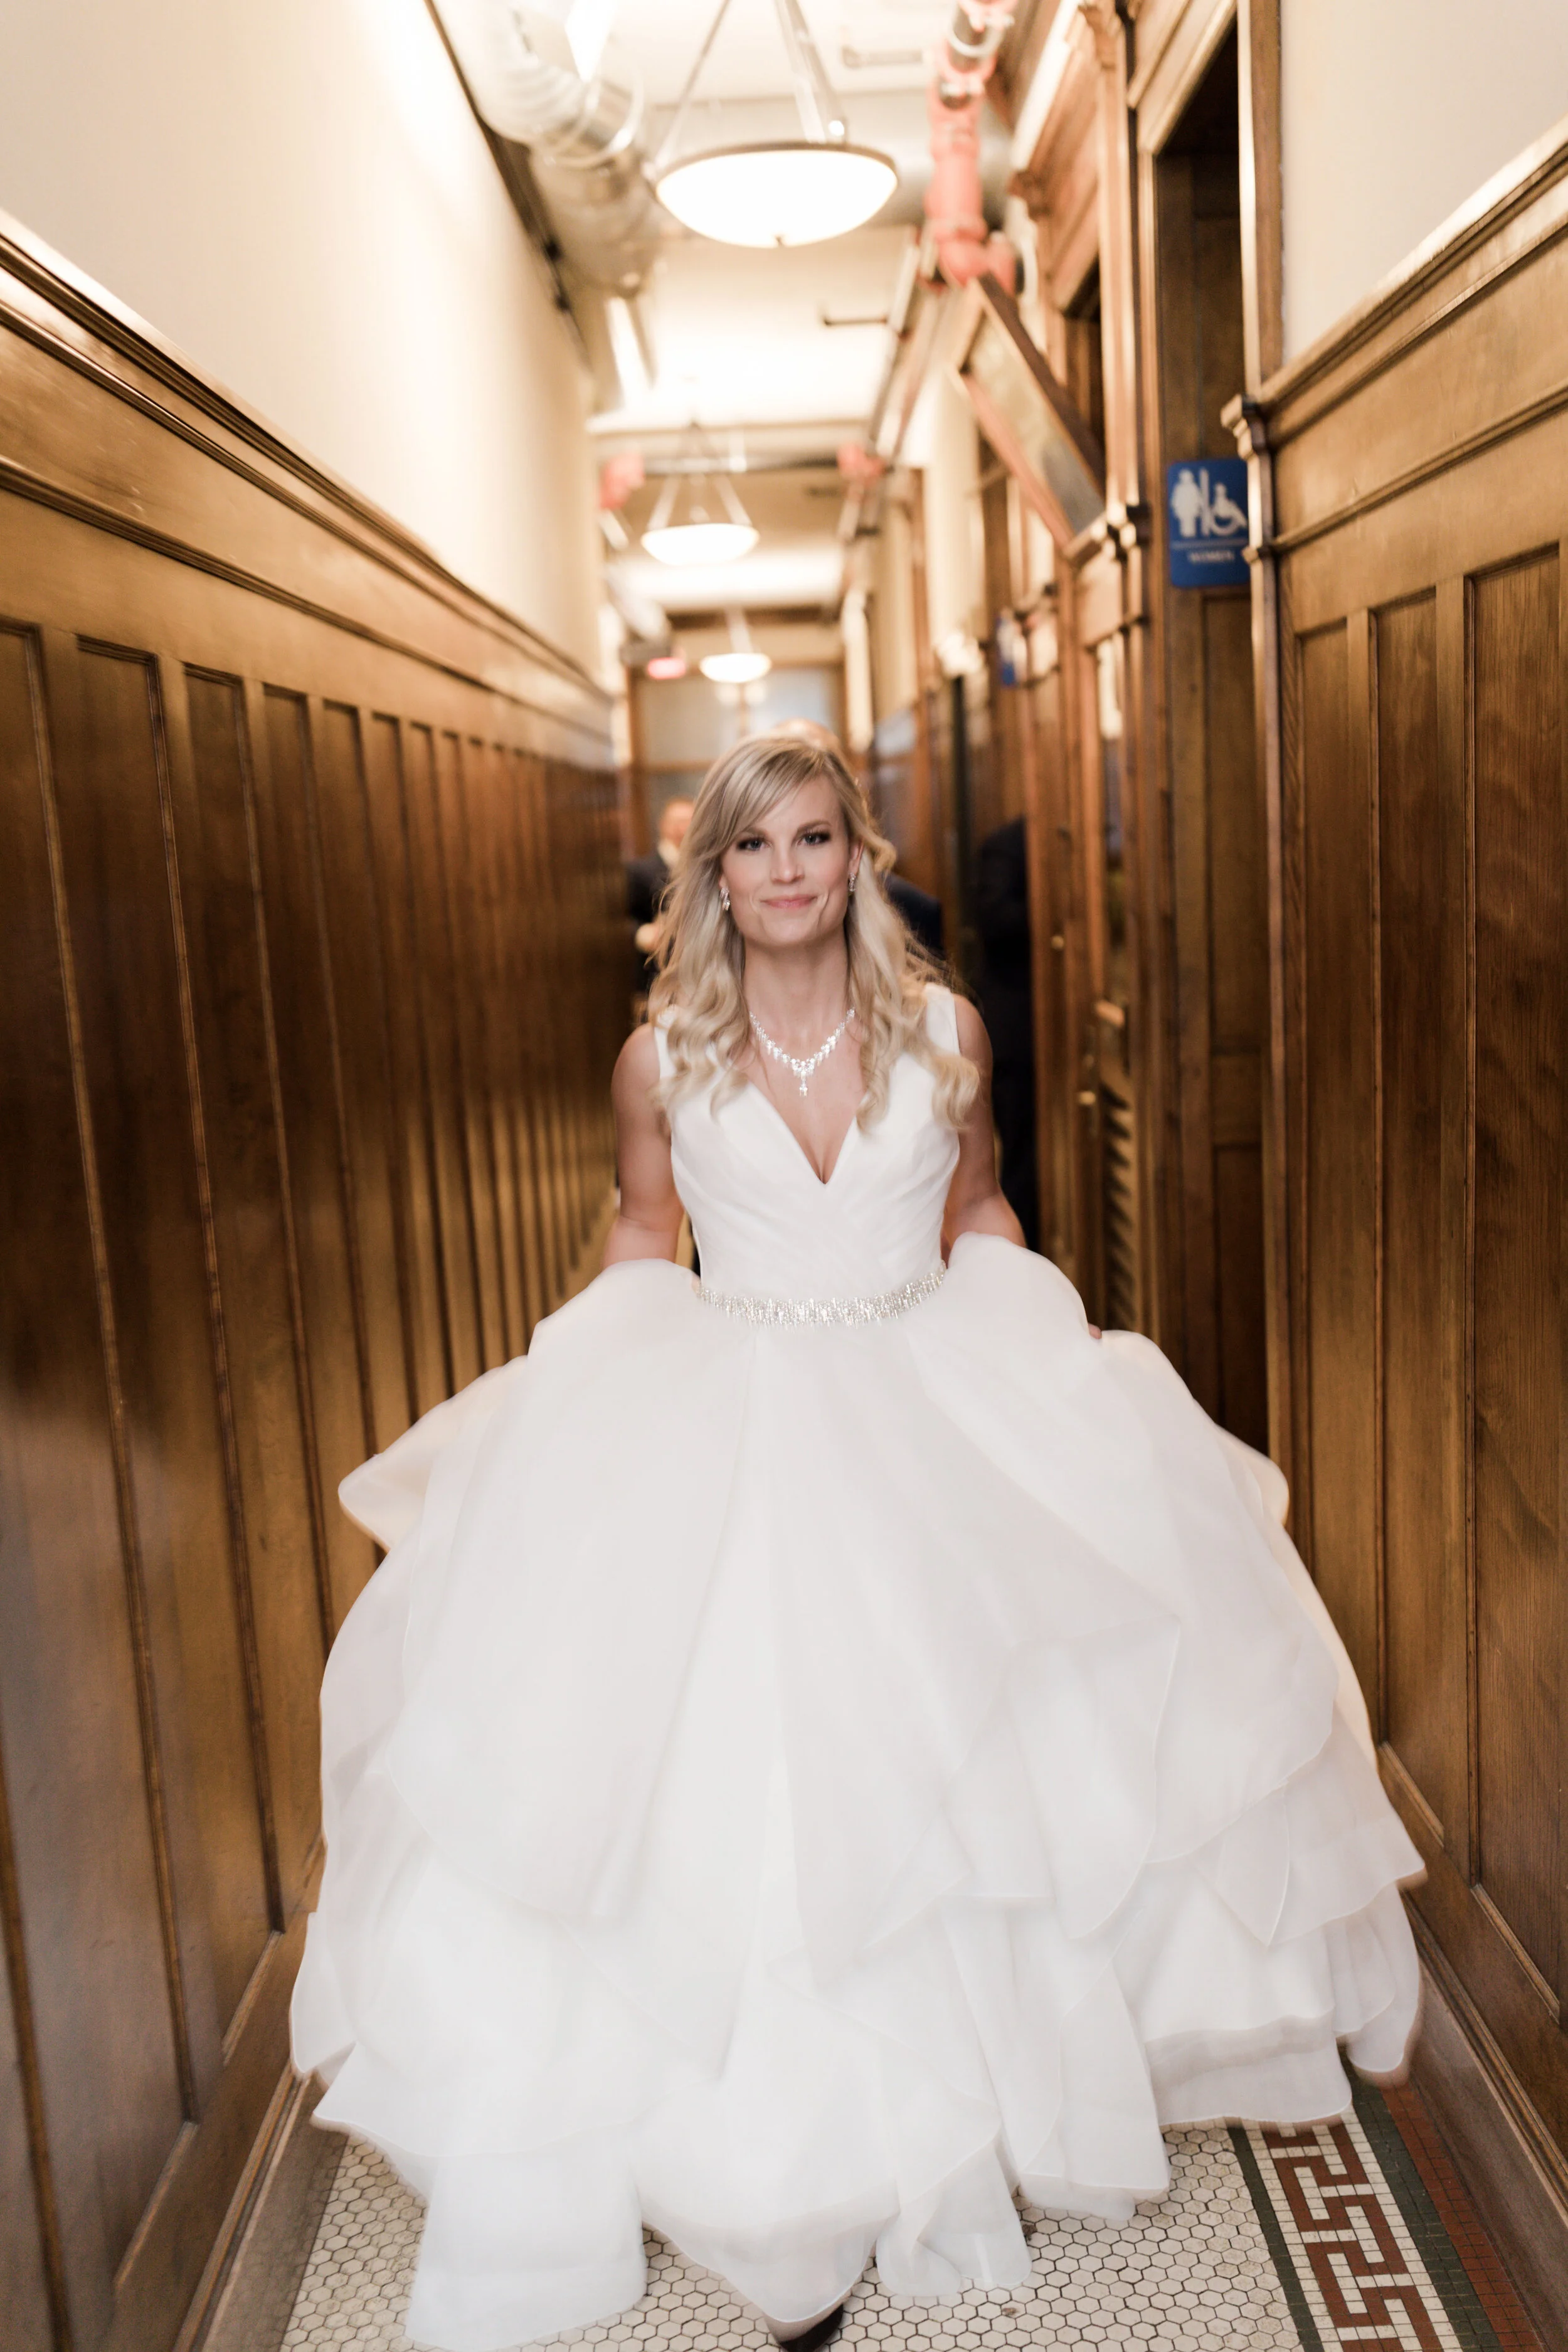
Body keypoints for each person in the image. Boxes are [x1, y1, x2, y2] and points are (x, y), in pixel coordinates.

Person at [291, 731, 1421, 2352]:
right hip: (731, 1396)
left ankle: (985, 2092)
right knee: (747, 1773)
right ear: (714, 875)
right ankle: (783, 2157)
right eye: (753, 848)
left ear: (852, 854)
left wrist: (1040, 1354)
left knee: (981, 1756)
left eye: (814, 839)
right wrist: (584, 1391)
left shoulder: (944, 1033)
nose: (787, 873)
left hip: (922, 1381)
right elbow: (638, 1225)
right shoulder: (659, 1057)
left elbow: (974, 1205)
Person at [973, 814, 1037, 1249]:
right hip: (1014, 1031)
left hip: (1041, 1036)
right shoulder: (1006, 844)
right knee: (1020, 1156)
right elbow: (995, 919)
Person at [626, 795, 692, 998]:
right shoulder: (639, 870)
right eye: (678, 822)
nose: (684, 828)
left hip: (697, 969)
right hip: (656, 973)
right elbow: (620, 920)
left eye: (690, 821)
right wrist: (644, 934)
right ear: (663, 825)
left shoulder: (707, 867)